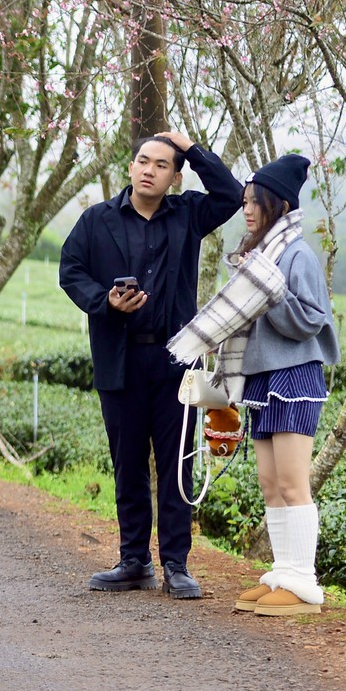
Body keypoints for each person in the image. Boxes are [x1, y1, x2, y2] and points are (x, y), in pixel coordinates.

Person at [59, 130, 242, 599]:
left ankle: (177, 564)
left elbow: (231, 194)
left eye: (161, 164)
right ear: (130, 167)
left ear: (175, 177)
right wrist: (105, 301)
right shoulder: (96, 220)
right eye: (143, 160)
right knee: (128, 462)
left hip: (176, 359)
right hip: (118, 357)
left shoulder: (187, 214)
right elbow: (70, 271)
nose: (148, 169)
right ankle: (134, 560)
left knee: (176, 463)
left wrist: (192, 147)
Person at [168, 154, 338, 616]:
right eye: (244, 202)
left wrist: (270, 291)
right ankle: (284, 571)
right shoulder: (261, 257)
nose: (247, 211)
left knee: (291, 480)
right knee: (269, 482)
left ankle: (304, 583)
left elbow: (310, 319)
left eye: (255, 203)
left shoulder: (296, 254)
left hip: (295, 377)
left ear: (279, 206)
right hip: (263, 379)